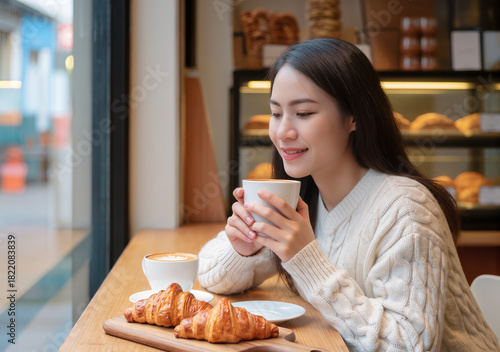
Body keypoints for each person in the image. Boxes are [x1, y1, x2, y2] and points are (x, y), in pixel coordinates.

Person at [197, 38, 500, 351]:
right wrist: (243, 250)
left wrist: (306, 260)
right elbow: (211, 276)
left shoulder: (406, 209)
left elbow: (410, 346)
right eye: (276, 114)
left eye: (303, 113)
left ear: (353, 116)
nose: (283, 131)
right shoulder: (305, 197)